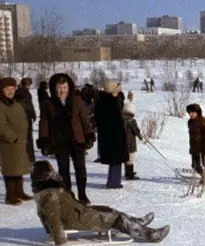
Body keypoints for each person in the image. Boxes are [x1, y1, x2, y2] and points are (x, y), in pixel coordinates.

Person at [32, 160, 169, 246]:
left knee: (108, 209)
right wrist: (60, 241)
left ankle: (138, 222)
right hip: (76, 219)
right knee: (116, 219)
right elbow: (53, 218)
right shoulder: (50, 194)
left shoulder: (48, 190)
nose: (55, 174)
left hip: (77, 212)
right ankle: (150, 234)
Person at [38, 74, 95, 204]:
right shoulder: (48, 103)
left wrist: (89, 134)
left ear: (69, 87)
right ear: (53, 88)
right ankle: (68, 196)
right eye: (59, 88)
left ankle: (82, 194)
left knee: (80, 168)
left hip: (77, 139)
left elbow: (85, 119)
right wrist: (43, 140)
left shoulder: (76, 100)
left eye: (64, 87)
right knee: (63, 170)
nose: (62, 91)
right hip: (59, 141)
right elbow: (44, 122)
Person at [0, 77, 33, 204]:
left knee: (19, 167)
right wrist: (12, 138)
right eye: (7, 89)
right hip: (8, 143)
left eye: (12, 89)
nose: (10, 91)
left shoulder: (15, 103)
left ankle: (20, 191)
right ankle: (10, 195)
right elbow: (1, 126)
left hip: (20, 142)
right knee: (10, 169)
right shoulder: (1, 105)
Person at [94, 81, 128, 189]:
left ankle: (114, 181)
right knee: (116, 160)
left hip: (110, 136)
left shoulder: (103, 101)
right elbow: (112, 120)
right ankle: (114, 183)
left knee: (116, 160)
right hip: (113, 136)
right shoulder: (109, 102)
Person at [14, 77, 36, 163]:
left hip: (22, 117)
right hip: (25, 118)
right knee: (27, 139)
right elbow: (28, 105)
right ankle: (29, 158)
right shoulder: (24, 92)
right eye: (29, 84)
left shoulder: (19, 91)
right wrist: (32, 114)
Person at [122, 101, 143, 180]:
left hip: (123, 142)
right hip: (130, 143)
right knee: (130, 159)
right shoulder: (131, 121)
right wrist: (140, 137)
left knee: (126, 158)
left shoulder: (120, 119)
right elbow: (136, 131)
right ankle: (129, 174)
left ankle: (127, 172)